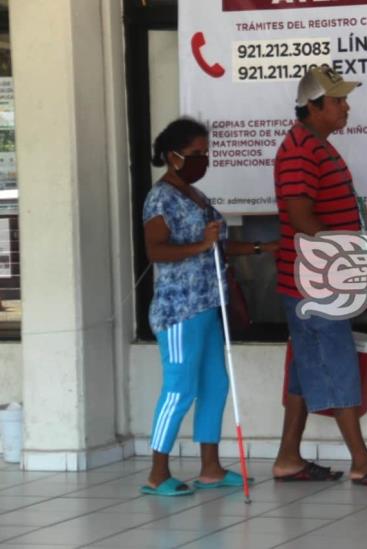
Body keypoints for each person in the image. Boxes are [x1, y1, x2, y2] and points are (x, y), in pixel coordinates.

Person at [272, 65, 367, 487]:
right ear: (313, 107)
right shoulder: (299, 150)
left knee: (305, 369)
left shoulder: (318, 145)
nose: (346, 107)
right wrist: (351, 255)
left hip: (321, 279)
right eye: (338, 100)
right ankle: (362, 461)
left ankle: (288, 459)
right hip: (314, 283)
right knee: (336, 365)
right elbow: (300, 217)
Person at [142, 118, 276, 496]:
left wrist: (261, 248)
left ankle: (211, 468)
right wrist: (200, 246)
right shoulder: (161, 197)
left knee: (215, 383)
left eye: (205, 152)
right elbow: (156, 251)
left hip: (208, 303)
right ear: (173, 156)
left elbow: (218, 244)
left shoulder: (196, 195)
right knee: (179, 389)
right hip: (178, 310)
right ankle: (157, 473)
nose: (203, 159)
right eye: (196, 153)